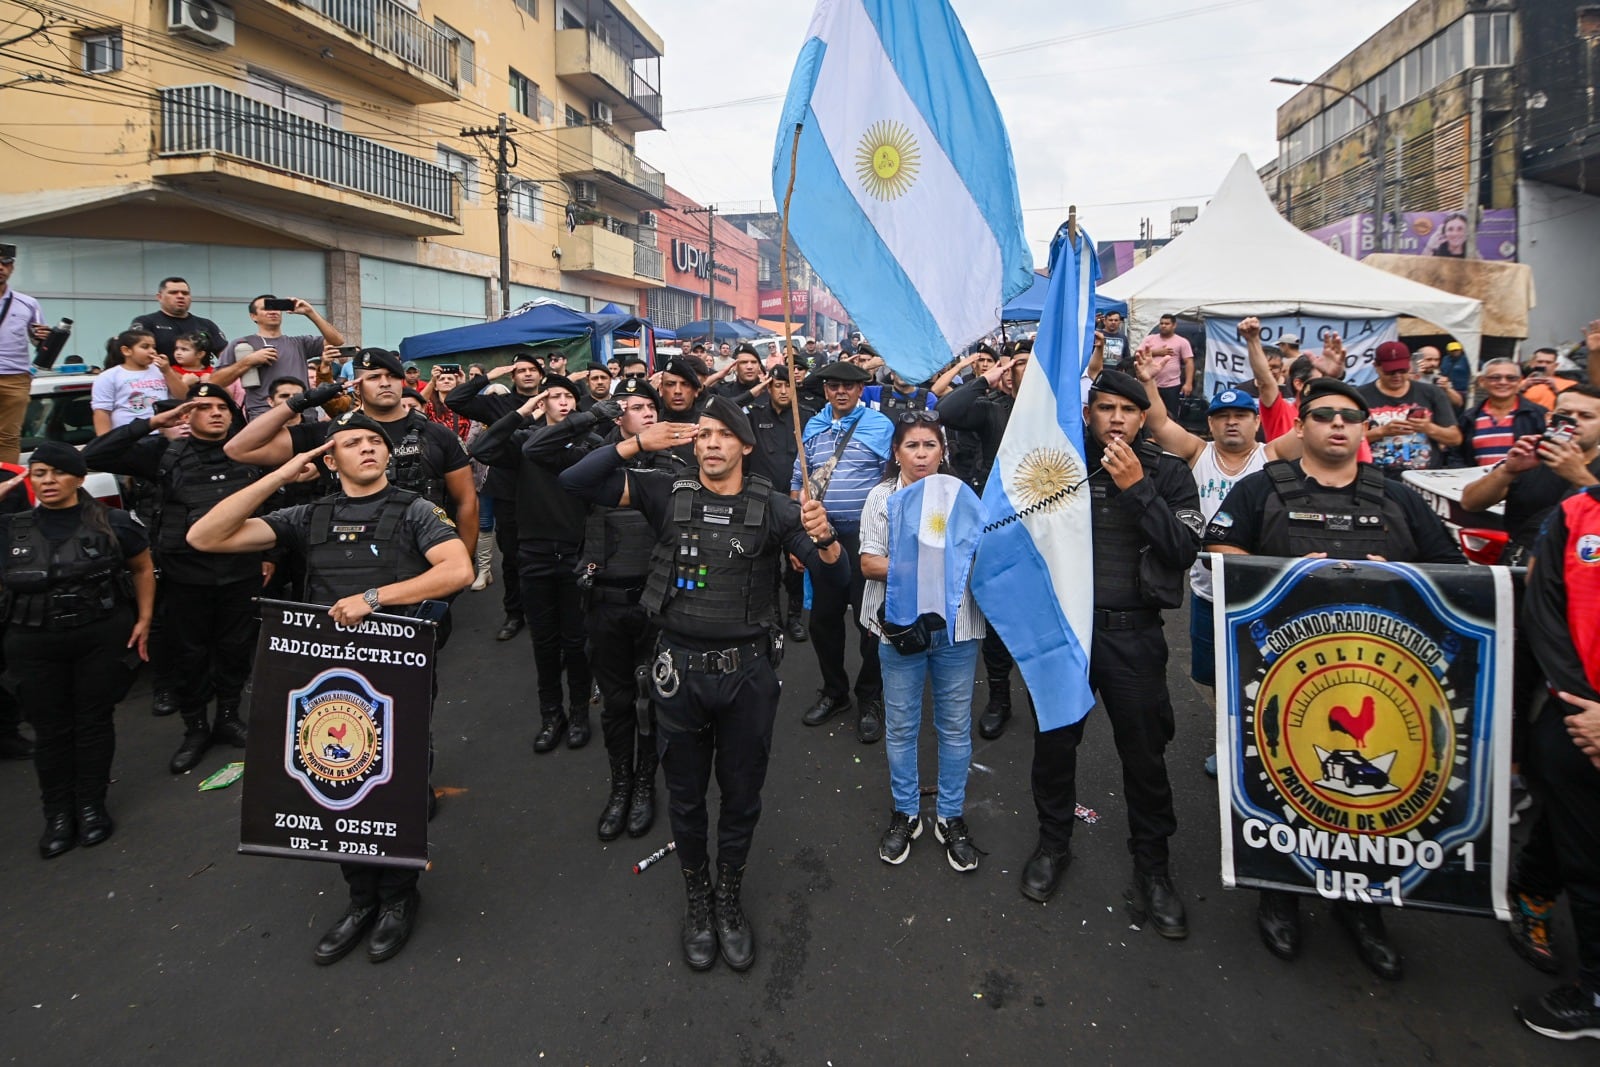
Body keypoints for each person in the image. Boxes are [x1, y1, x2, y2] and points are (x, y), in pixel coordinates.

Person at [559, 395, 848, 972]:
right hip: (679, 673)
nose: (711, 443)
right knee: (686, 798)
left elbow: (835, 583)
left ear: (746, 445)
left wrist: (827, 540)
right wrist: (636, 443)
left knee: (741, 796)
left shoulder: (776, 507)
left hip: (748, 678)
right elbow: (575, 481)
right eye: (704, 433)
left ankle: (729, 896)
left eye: (724, 434)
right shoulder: (665, 492)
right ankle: (698, 896)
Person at [188, 410, 473, 965]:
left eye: (374, 441)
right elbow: (205, 535)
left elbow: (456, 570)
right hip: (325, 670)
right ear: (330, 459)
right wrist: (281, 473)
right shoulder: (308, 514)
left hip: (396, 666)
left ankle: (398, 896)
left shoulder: (415, 509)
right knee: (335, 776)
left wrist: (373, 599)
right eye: (351, 442)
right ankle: (361, 897)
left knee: (393, 780)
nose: (367, 448)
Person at [1206, 377, 1466, 980]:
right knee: (1280, 782)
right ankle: (1279, 893)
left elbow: (1453, 571)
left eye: (1350, 416)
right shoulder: (1261, 488)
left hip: (1378, 681)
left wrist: (1398, 576)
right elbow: (1218, 550)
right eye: (1323, 415)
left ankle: (1362, 906)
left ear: (1365, 429)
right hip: (1278, 676)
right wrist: (1286, 573)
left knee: (1368, 794)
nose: (1338, 424)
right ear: (1301, 427)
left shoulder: (1397, 497)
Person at [1019, 371, 1202, 945]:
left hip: (1133, 637)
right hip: (1066, 635)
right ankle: (1053, 843)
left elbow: (1182, 550)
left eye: (1128, 409)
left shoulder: (1168, 472)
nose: (1116, 418)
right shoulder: (1061, 467)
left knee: (1144, 756)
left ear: (1144, 417)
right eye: (1105, 407)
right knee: (1054, 747)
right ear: (1088, 414)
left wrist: (1137, 488)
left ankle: (1153, 867)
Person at [84, 383, 262, 774]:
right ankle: (195, 728)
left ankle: (228, 716)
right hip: (185, 573)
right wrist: (149, 423)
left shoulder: (249, 450)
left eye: (222, 407)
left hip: (241, 570)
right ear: (186, 415)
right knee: (189, 655)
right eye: (204, 407)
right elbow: (94, 455)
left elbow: (273, 504)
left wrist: (271, 557)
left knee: (235, 650)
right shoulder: (164, 453)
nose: (215, 413)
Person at [1133, 323, 1282, 775]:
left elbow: (1271, 393)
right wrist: (1147, 381)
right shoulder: (1199, 452)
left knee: (1264, 671)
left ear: (1256, 421)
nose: (1231, 422)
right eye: (1222, 416)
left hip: (1263, 593)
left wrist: (1253, 344)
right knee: (1215, 673)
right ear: (1211, 423)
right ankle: (1229, 739)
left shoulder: (1272, 457)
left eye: (1241, 415)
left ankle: (1266, 742)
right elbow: (1159, 422)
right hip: (1208, 593)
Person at [0, 442, 155, 858]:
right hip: (32, 641)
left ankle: (90, 806)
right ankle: (57, 815)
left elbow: (142, 567)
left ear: (79, 478)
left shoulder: (113, 523)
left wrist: (144, 618)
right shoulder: (10, 527)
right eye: (39, 473)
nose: (48, 481)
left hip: (98, 636)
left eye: (58, 472)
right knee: (50, 730)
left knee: (93, 722)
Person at [554, 377, 680, 839]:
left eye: (651, 407)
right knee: (617, 701)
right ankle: (620, 783)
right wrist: (629, 444)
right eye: (634, 406)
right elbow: (562, 472)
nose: (646, 413)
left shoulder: (674, 464)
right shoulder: (598, 458)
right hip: (605, 601)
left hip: (654, 601)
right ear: (616, 413)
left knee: (653, 697)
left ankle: (645, 783)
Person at [858, 412, 985, 871]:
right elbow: (869, 563)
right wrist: (925, 568)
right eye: (911, 445)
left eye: (930, 445)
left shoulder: (961, 496)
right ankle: (906, 812)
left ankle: (949, 816)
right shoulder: (882, 496)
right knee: (901, 726)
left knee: (954, 727)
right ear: (897, 453)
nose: (921, 454)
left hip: (956, 630)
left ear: (942, 451)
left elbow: (980, 555)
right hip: (900, 632)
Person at [225, 348, 476, 559]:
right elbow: (239, 449)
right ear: (356, 386)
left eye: (392, 376)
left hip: (422, 555)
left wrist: (463, 560)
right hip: (346, 557)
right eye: (374, 377)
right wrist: (302, 401)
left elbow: (466, 501)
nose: (385, 382)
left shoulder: (437, 435)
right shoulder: (331, 433)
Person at [1513, 489, 1600, 1041]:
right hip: (1578, 721)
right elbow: (1544, 613)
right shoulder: (1575, 514)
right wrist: (1583, 709)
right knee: (1586, 854)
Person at [469, 376, 593, 751]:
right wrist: (521, 412)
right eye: (554, 396)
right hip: (535, 554)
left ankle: (580, 712)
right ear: (542, 403)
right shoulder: (524, 441)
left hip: (576, 553)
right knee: (544, 641)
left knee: (576, 641)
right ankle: (551, 715)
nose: (563, 402)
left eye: (569, 396)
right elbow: (482, 448)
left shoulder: (589, 443)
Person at [793, 360, 893, 744]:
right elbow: (797, 480)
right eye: (833, 386)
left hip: (865, 538)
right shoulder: (812, 428)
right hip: (822, 536)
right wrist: (799, 536)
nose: (840, 392)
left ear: (860, 390)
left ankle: (870, 697)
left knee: (869, 623)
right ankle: (835, 692)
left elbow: (892, 478)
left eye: (848, 386)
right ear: (825, 390)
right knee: (823, 621)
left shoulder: (879, 427)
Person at [935, 349, 1029, 737]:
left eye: (1029, 361)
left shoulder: (1059, 412)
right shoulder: (994, 410)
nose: (1020, 368)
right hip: (999, 526)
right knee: (997, 617)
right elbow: (946, 410)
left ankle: (1046, 696)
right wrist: (987, 378)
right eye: (1016, 362)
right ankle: (999, 698)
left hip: (1047, 528)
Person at [447, 354, 546, 640]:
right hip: (507, 488)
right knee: (512, 556)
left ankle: (544, 612)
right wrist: (488, 376)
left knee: (549, 555)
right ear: (512, 376)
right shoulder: (498, 403)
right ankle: (514, 614)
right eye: (520, 370)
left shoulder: (551, 399)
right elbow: (454, 400)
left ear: (541, 375)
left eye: (532, 369)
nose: (527, 374)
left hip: (545, 488)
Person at [1461, 384, 1600, 559]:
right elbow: (1470, 503)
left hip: (1585, 565)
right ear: (1549, 418)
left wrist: (1579, 476)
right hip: (1523, 562)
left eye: (1586, 416)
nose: (1574, 422)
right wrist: (1507, 471)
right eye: (1564, 414)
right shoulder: (1529, 457)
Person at [747, 363, 809, 641]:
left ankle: (794, 616)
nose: (783, 391)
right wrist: (755, 390)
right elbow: (726, 407)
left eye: (788, 385)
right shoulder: (754, 414)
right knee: (767, 563)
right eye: (777, 385)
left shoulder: (806, 416)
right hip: (763, 502)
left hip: (795, 503)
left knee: (797, 564)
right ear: (768, 388)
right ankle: (772, 615)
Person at [218, 296, 345, 419]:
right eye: (266, 308)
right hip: (264, 415)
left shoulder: (299, 343)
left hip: (303, 413)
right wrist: (248, 361)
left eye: (276, 307)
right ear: (253, 316)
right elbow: (217, 381)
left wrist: (310, 312)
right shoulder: (241, 344)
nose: (273, 311)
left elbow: (337, 341)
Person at [1359, 341, 1461, 478]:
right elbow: (1348, 440)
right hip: (1375, 479)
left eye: (1402, 370)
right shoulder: (1360, 396)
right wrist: (1381, 432)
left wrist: (1428, 428)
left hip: (1424, 478)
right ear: (1376, 366)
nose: (1397, 375)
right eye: (1390, 371)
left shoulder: (1432, 393)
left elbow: (1455, 438)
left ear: (1410, 365)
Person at [0, 243, 52, 463]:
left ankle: (5, 481)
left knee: (8, 437)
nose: (1, 267)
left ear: (12, 268)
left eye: (5, 263)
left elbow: (39, 341)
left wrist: (44, 337)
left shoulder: (28, 303)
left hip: (15, 377)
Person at [1454, 359, 1545, 468]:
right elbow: (1456, 455)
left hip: (1525, 479)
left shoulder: (1538, 415)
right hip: (1481, 478)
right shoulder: (1469, 417)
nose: (1503, 382)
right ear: (1482, 381)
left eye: (1511, 378)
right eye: (1495, 377)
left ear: (1520, 381)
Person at [91, 329, 170, 434]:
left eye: (153, 347)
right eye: (145, 347)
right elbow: (102, 412)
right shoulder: (109, 376)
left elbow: (182, 396)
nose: (152, 351)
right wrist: (105, 441)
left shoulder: (161, 370)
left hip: (164, 435)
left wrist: (168, 372)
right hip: (130, 437)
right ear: (126, 351)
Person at [132, 277, 227, 361]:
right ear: (160, 297)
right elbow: (136, 355)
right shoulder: (145, 322)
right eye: (173, 293)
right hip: (160, 374)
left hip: (203, 375)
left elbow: (226, 356)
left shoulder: (206, 325)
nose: (180, 296)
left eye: (185, 293)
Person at [1136, 314, 1195, 418]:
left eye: (1167, 324)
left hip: (1171, 385)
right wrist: (1156, 352)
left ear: (1174, 325)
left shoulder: (1182, 342)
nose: (1163, 326)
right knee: (1148, 413)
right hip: (1150, 383)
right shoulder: (1150, 339)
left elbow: (1189, 362)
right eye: (1161, 323)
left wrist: (1188, 383)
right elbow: (1137, 354)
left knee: (1170, 415)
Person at [1523, 348, 1581, 412]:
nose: (1543, 365)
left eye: (1548, 362)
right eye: (1540, 362)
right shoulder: (1519, 384)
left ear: (1555, 365)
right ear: (1532, 364)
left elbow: (1575, 405)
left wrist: (1555, 390)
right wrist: (1523, 389)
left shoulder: (1570, 385)